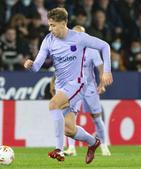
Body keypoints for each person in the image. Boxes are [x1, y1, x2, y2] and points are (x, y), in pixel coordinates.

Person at [23, 7, 113, 164]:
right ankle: (93, 142)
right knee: (69, 130)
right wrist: (30, 65)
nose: (50, 29)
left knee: (53, 104)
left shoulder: (79, 38)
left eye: (53, 25)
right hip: (61, 87)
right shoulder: (48, 40)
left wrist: (106, 71)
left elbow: (105, 46)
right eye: (49, 25)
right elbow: (37, 67)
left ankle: (59, 149)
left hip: (77, 85)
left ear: (64, 23)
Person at [49, 25, 110, 157]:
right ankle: (71, 148)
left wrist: (102, 83)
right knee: (70, 117)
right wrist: (54, 82)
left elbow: (100, 67)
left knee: (96, 118)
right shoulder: (67, 49)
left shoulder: (92, 50)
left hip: (89, 88)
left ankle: (104, 145)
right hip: (73, 88)